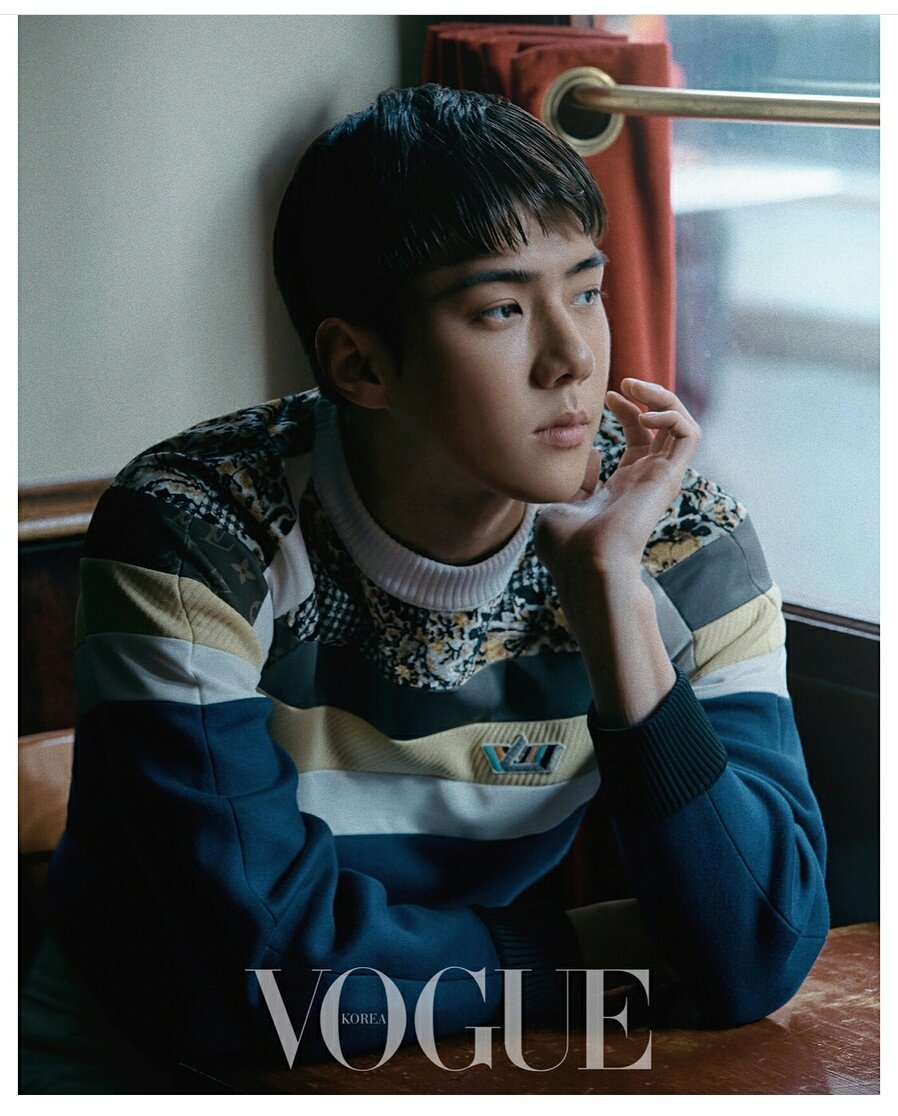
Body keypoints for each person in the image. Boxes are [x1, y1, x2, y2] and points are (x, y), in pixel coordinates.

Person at [25, 83, 828, 1086]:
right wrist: (578, 954)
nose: (571, 359)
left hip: (461, 1051)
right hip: (143, 1069)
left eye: (585, 291)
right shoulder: (200, 527)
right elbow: (268, 975)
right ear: (360, 364)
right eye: (501, 310)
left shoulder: (677, 536)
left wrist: (613, 598)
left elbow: (754, 950)